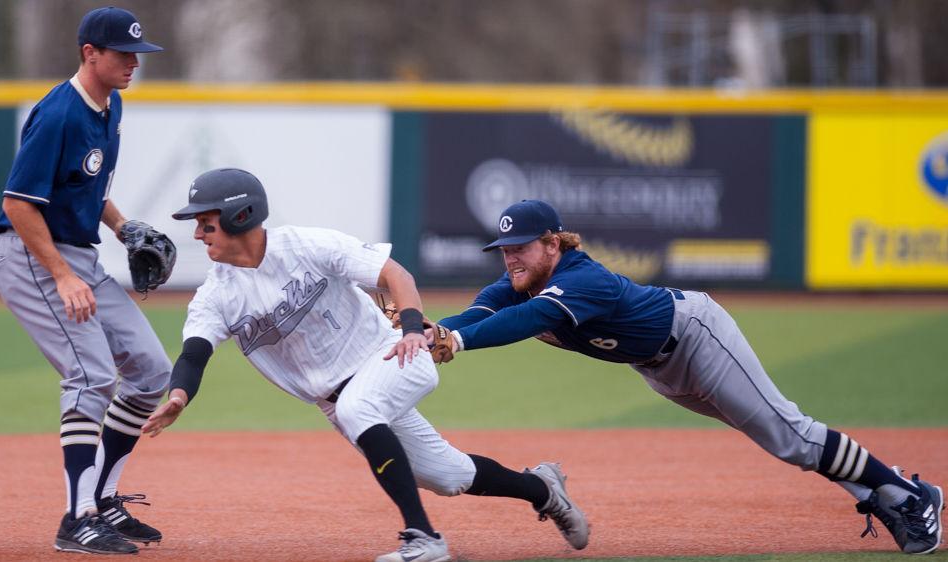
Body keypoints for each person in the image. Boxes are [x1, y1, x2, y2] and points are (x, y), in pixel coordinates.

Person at [428, 199, 944, 556]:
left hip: (695, 336)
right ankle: (889, 491)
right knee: (780, 439)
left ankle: (906, 493)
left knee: (789, 436)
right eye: (504, 248)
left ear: (552, 243)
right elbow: (481, 311)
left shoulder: (583, 278)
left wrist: (459, 342)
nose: (509, 257)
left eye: (520, 246)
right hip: (660, 367)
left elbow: (527, 320)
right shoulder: (519, 279)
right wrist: (433, 331)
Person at [141, 168, 590, 562]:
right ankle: (544, 489)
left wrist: (413, 328)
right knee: (450, 477)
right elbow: (194, 352)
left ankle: (425, 539)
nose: (198, 234)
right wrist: (179, 396)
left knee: (360, 408)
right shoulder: (217, 294)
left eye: (206, 223)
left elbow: (397, 276)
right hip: (336, 401)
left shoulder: (306, 245)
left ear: (240, 216)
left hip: (395, 356)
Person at [0, 6, 171, 556]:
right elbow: (18, 204)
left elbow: (84, 189)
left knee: (150, 369)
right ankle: (76, 518)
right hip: (31, 257)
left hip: (78, 253)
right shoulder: (60, 114)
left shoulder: (109, 106)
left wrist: (122, 227)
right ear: (89, 52)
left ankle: (104, 498)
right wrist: (64, 276)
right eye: (122, 54)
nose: (133, 63)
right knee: (92, 375)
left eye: (137, 54)